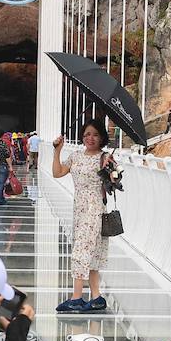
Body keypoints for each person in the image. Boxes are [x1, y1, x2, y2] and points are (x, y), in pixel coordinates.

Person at [52, 118, 111, 313]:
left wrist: (110, 171)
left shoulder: (104, 158)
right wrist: (57, 150)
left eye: (95, 134)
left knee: (80, 251)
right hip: (79, 209)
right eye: (87, 134)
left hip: (94, 209)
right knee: (90, 252)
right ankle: (96, 298)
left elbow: (115, 183)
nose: (90, 138)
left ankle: (76, 298)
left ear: (101, 136)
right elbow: (57, 173)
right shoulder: (76, 156)